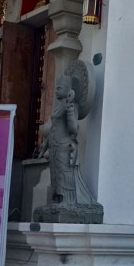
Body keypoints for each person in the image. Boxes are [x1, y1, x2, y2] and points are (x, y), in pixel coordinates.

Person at [38, 75, 95, 204]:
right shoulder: (58, 106)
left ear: (69, 90)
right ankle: (57, 199)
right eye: (56, 88)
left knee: (64, 173)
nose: (56, 90)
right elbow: (54, 127)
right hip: (54, 144)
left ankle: (68, 201)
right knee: (55, 173)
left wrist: (70, 114)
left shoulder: (72, 106)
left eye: (59, 88)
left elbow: (73, 130)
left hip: (64, 145)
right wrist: (45, 144)